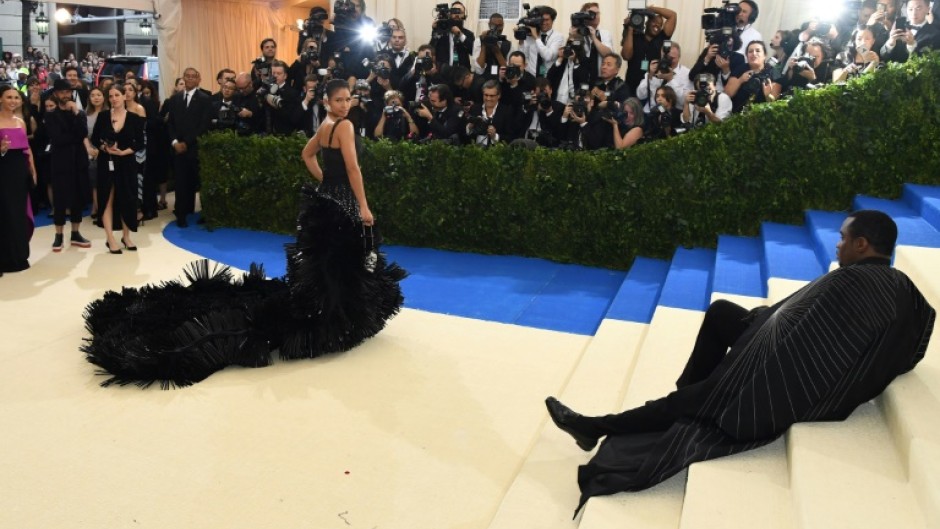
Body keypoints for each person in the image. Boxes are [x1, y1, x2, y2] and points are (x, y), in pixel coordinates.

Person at [545, 209, 935, 515]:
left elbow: (803, 336)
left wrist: (759, 342)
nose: (837, 246)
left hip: (792, 381)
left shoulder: (850, 280)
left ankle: (594, 427)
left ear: (863, 244)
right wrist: (763, 322)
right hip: (798, 361)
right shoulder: (902, 288)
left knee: (706, 396)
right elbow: (911, 343)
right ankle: (687, 394)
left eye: (843, 239)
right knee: (721, 313)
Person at [81, 79, 407, 388]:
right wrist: (363, 205)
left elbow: (307, 155)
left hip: (328, 199)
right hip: (346, 200)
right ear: (327, 101)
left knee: (327, 262)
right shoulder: (345, 126)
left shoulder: (325, 126)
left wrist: (325, 183)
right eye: (339, 99)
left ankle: (332, 322)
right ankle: (338, 325)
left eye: (348, 98)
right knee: (344, 261)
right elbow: (353, 169)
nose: (345, 104)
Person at [91, 84, 145, 254]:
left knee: (126, 199)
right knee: (106, 198)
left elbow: (140, 142)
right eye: (111, 96)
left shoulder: (135, 118)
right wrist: (104, 148)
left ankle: (126, 236)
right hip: (106, 163)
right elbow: (95, 139)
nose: (113, 98)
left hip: (126, 163)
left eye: (117, 95)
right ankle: (110, 238)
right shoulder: (102, 116)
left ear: (124, 96)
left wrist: (124, 152)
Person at [45, 78, 96, 252]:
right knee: (60, 199)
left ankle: (76, 233)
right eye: (62, 92)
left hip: (78, 162)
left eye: (68, 92)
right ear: (56, 94)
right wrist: (72, 137)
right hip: (60, 162)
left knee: (78, 199)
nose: (66, 95)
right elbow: (57, 138)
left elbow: (82, 133)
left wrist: (75, 114)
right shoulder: (50, 115)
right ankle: (58, 235)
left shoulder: (79, 114)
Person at [165, 67, 211, 228]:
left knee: (198, 182)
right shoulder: (175, 99)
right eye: (187, 76)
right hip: (177, 148)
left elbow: (203, 125)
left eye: (193, 77)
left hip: (195, 148)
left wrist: (187, 143)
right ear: (183, 78)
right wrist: (175, 142)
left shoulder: (205, 99)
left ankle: (204, 214)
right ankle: (181, 215)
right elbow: (170, 124)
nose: (190, 79)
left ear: (198, 80)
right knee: (180, 183)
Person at [0, 85, 37, 275]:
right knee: (3, 213)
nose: (13, 100)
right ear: (0, 99)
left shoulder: (20, 121)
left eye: (16, 97)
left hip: (19, 171)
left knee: (17, 212)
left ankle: (18, 255)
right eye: (9, 97)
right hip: (2, 171)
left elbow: (27, 148)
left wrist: (33, 170)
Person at [724, 41, 783, 113]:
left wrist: (768, 96)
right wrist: (740, 80)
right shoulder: (740, 69)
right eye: (750, 51)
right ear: (747, 55)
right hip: (737, 115)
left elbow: (775, 105)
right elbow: (727, 94)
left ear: (765, 55)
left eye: (758, 51)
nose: (754, 53)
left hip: (760, 116)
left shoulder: (773, 72)